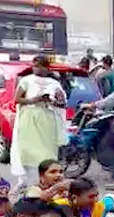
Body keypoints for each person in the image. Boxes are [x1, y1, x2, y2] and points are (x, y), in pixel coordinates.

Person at [11, 55, 67, 189]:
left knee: (47, 153)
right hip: (29, 119)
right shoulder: (26, 81)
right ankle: (29, 183)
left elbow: (62, 103)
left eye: (39, 66)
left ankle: (47, 181)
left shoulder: (54, 84)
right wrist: (35, 99)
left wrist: (52, 101)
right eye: (34, 65)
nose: (36, 68)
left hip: (47, 120)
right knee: (28, 152)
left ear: (46, 68)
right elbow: (17, 99)